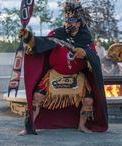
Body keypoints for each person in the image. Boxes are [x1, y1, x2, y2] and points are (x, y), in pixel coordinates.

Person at [18, 1, 108, 135]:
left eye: (71, 20)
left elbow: (93, 56)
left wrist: (84, 53)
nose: (67, 23)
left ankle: (81, 126)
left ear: (78, 23)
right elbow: (41, 43)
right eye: (66, 20)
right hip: (55, 75)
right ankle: (29, 127)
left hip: (77, 77)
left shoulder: (85, 38)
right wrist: (28, 38)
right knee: (37, 97)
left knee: (89, 100)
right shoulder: (57, 33)